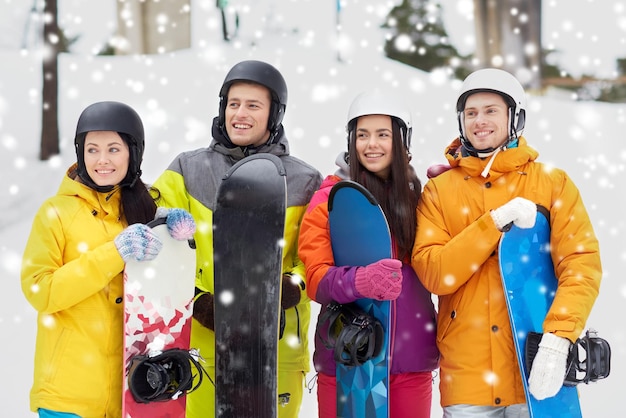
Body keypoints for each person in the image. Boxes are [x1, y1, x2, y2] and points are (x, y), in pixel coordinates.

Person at [411, 68, 602, 417]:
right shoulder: (440, 191)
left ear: (516, 117)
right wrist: (492, 223)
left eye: (490, 110)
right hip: (468, 377)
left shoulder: (552, 183)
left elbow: (581, 266)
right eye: (471, 113)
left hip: (536, 364)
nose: (479, 121)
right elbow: (434, 273)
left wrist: (558, 340)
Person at [152, 60, 322, 418]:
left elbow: (314, 254)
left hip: (277, 350)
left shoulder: (305, 180)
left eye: (253, 105)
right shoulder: (187, 170)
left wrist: (294, 285)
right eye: (233, 104)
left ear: (274, 114)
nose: (240, 114)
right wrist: (196, 301)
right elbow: (157, 242)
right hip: (204, 349)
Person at [20, 101, 195, 418]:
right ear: (80, 153)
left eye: (114, 149)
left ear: (133, 153)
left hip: (133, 394)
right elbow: (40, 292)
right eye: (92, 149)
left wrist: (174, 238)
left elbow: (166, 293)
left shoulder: (144, 208)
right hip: (69, 397)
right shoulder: (55, 213)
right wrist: (114, 252)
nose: (102, 160)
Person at [298, 91, 440, 418]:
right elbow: (317, 279)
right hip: (348, 357)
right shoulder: (330, 198)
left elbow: (443, 258)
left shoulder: (422, 198)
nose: (371, 144)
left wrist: (455, 186)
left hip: (411, 361)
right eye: (362, 135)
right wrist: (359, 281)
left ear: (403, 141)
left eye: (382, 135)